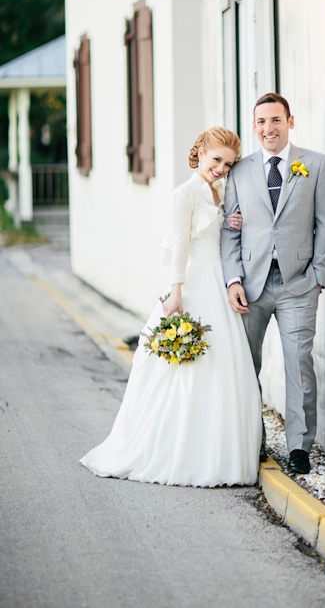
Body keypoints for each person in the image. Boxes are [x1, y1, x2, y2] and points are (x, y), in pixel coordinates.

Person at [80, 128, 262, 487]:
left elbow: (222, 232)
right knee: (188, 370)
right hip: (194, 281)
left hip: (221, 278)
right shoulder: (184, 194)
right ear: (200, 153)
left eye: (228, 164)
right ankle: (181, 452)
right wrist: (176, 294)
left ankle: (221, 451)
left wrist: (232, 222)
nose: (222, 169)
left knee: (225, 367)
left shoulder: (223, 190)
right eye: (216, 160)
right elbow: (181, 245)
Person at [221, 93, 325, 475]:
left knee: (299, 364)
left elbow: (324, 223)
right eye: (261, 122)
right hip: (250, 286)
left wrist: (320, 275)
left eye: (275, 120)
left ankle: (300, 447)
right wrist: (232, 279)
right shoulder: (238, 170)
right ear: (253, 126)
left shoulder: (315, 165)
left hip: (298, 284)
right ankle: (253, 439)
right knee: (244, 363)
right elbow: (229, 231)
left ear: (290, 121)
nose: (268, 128)